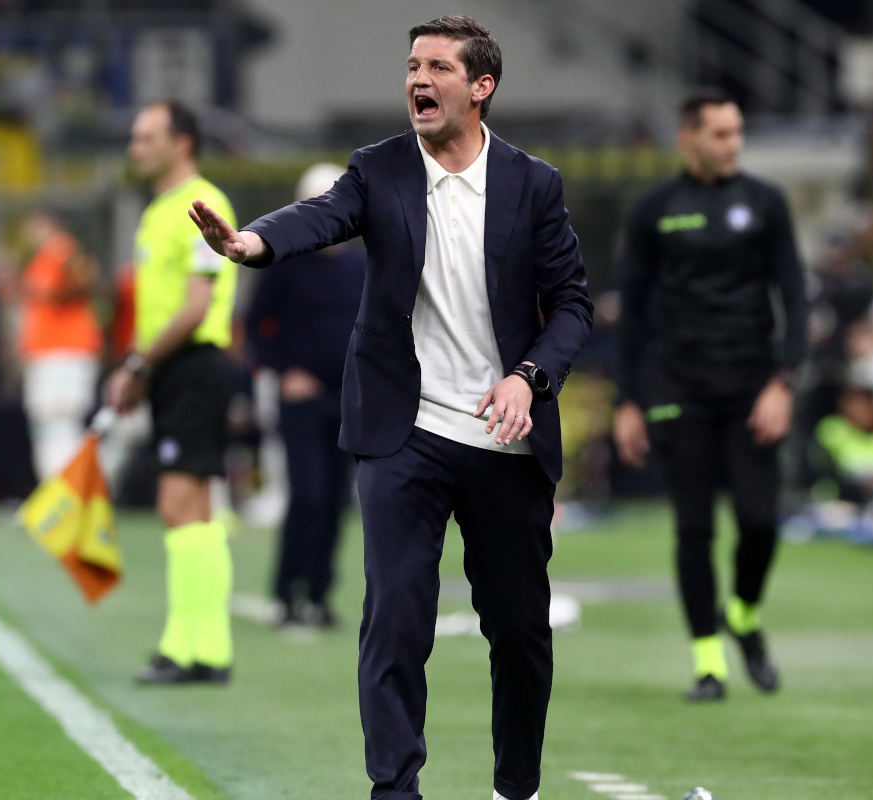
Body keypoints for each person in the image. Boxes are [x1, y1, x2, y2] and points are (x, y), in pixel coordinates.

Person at [189, 16, 592, 800]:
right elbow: (323, 216)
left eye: (438, 66)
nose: (418, 78)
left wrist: (529, 376)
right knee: (396, 617)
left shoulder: (533, 184)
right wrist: (251, 245)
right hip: (402, 430)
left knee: (518, 631)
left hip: (504, 434)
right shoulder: (379, 170)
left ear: (482, 88)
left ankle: (518, 787)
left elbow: (572, 303)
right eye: (412, 64)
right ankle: (395, 791)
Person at [612, 89, 808, 702]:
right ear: (688, 138)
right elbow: (633, 313)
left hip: (751, 385)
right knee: (693, 528)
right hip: (678, 385)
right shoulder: (653, 210)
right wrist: (627, 400)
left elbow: (796, 298)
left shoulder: (766, 203)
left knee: (759, 521)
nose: (733, 144)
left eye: (737, 132)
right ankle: (708, 664)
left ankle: (744, 615)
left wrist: (783, 381)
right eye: (721, 134)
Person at [105, 100, 240, 686]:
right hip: (173, 370)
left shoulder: (202, 203)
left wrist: (136, 365)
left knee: (180, 504)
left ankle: (191, 647)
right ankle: (200, 645)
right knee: (194, 508)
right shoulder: (157, 209)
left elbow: (195, 306)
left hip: (194, 364)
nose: (136, 147)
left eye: (147, 136)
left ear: (182, 142)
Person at [245, 162, 368, 627]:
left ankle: (319, 593)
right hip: (299, 400)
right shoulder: (284, 264)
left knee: (338, 499)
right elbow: (257, 329)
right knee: (308, 495)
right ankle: (287, 591)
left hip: (347, 401)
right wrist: (284, 371)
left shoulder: (357, 267)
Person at [18, 211, 103, 480]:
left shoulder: (61, 248)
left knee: (61, 423)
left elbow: (87, 279)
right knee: (49, 425)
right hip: (51, 353)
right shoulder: (43, 257)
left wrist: (60, 291)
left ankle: (67, 492)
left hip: (65, 352)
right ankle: (58, 493)